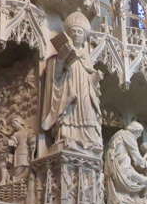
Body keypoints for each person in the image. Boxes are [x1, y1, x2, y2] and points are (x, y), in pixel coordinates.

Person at [41, 10, 103, 154]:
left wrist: (96, 78)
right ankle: (68, 138)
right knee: (68, 110)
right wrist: (61, 58)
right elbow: (55, 77)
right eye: (73, 32)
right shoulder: (60, 55)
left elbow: (91, 80)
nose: (76, 34)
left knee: (88, 111)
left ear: (84, 36)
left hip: (85, 92)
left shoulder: (87, 57)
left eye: (79, 32)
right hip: (69, 89)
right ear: (69, 34)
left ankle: (89, 141)